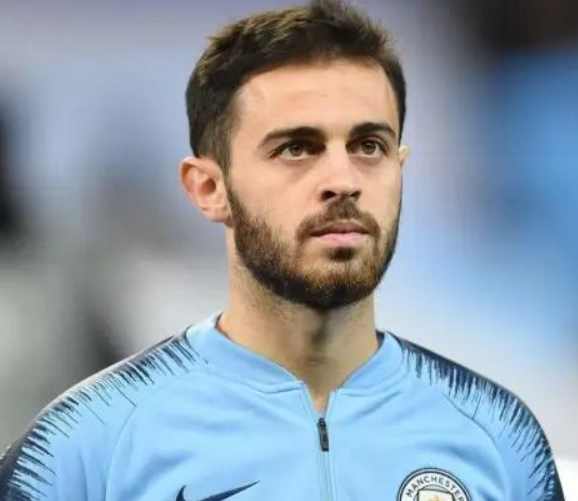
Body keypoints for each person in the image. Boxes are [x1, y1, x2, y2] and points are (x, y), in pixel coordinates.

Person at [0, 1, 565, 500]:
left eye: (369, 146)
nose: (342, 181)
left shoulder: (499, 436)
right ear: (209, 188)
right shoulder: (79, 451)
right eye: (297, 148)